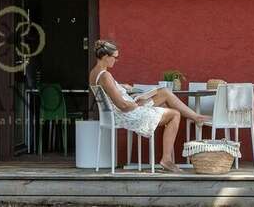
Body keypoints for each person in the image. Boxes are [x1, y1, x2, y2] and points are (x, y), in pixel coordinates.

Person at [89, 39, 210, 173]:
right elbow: (122, 105)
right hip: (128, 113)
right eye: (115, 57)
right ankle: (167, 159)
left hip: (123, 111)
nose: (116, 60)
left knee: (164, 94)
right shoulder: (105, 75)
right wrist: (136, 103)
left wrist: (123, 87)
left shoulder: (95, 73)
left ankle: (194, 118)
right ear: (105, 57)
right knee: (175, 114)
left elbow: (110, 92)